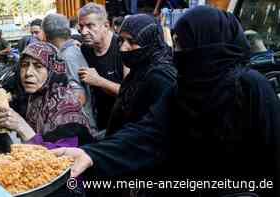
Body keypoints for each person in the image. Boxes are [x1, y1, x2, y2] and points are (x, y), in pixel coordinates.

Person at [52, 6, 280, 197]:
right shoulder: (182, 90)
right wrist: (93, 154)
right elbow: (148, 132)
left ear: (207, 46)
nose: (176, 53)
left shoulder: (250, 87)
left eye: (183, 45)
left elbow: (272, 157)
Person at [0, 41, 93, 150]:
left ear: (53, 70)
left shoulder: (67, 110)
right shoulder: (33, 96)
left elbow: (60, 160)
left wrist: (22, 127)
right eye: (24, 65)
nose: (28, 73)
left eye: (38, 66)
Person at [106, 14, 176, 136]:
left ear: (149, 42)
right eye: (121, 40)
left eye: (132, 41)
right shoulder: (137, 71)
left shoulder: (161, 76)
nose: (123, 48)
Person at [42, 13, 97, 136]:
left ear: (46, 36)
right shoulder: (73, 50)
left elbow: (79, 97)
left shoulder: (66, 57)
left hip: (80, 130)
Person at [78, 3, 129, 130]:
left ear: (106, 25)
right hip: (100, 121)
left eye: (90, 26)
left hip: (125, 122)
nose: (84, 32)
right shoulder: (84, 49)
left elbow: (130, 93)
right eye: (81, 26)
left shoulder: (122, 48)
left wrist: (98, 81)